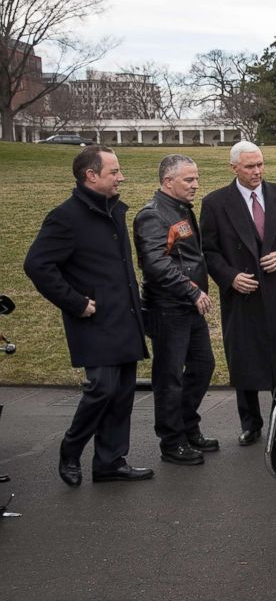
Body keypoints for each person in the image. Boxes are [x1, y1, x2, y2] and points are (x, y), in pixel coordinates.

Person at [24, 145, 153, 486]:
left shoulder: (115, 210)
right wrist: (76, 303)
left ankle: (110, 461)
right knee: (103, 389)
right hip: (94, 320)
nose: (121, 177)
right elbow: (37, 265)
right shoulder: (65, 217)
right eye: (114, 172)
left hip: (124, 317)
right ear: (90, 176)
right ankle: (71, 447)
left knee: (123, 391)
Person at [200, 142, 276, 446]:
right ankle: (250, 423)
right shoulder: (215, 203)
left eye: (260, 164)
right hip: (242, 296)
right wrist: (230, 277)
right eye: (249, 167)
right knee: (244, 358)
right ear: (233, 167)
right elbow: (208, 250)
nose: (257, 171)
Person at [133, 154, 217, 466]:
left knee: (203, 366)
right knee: (169, 377)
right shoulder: (153, 215)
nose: (196, 185)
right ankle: (171, 442)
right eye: (189, 180)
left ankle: (187, 426)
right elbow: (155, 263)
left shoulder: (180, 209)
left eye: (196, 178)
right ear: (168, 182)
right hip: (168, 309)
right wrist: (191, 289)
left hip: (189, 308)